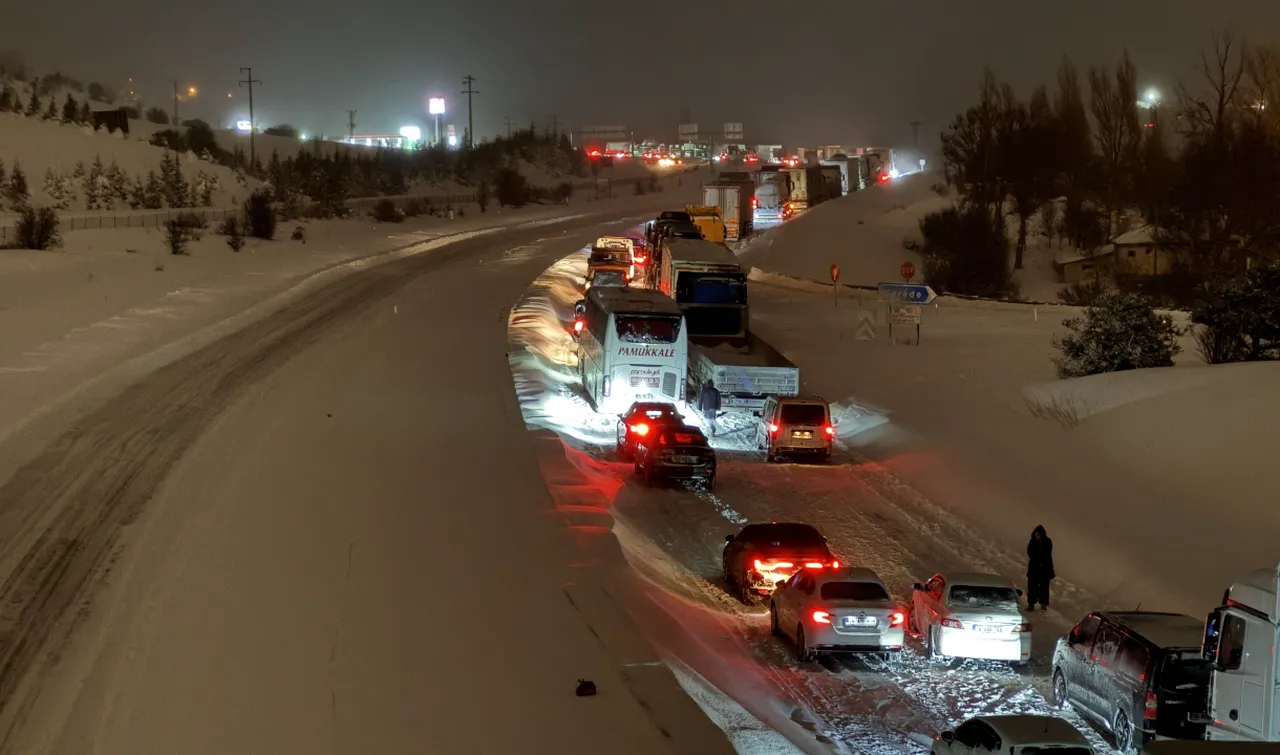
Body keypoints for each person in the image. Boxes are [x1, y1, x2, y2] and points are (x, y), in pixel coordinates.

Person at [1026, 525, 1054, 612]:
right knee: (1032, 587)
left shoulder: (1047, 542)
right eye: (1036, 534)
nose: (1037, 536)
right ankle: (1031, 604)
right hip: (1034, 568)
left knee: (1044, 588)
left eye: (1039, 534)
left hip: (1045, 568)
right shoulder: (1032, 542)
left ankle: (1043, 605)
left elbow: (1047, 552)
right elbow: (1029, 552)